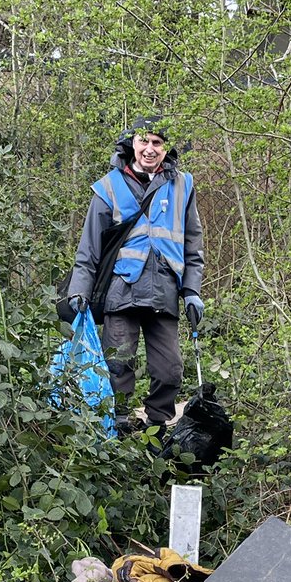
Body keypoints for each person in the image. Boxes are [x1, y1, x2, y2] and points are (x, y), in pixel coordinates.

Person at [68, 115, 204, 437]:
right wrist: (80, 291)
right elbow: (89, 248)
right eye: (144, 141)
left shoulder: (183, 185)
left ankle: (157, 430)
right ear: (132, 144)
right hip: (122, 292)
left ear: (165, 148)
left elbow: (192, 246)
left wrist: (192, 291)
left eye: (157, 143)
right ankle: (118, 428)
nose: (150, 149)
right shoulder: (109, 187)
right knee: (117, 366)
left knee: (170, 371)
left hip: (164, 294)